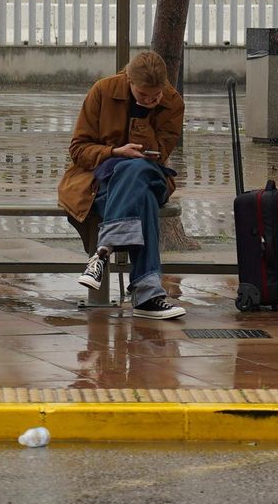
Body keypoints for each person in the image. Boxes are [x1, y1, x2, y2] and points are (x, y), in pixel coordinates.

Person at [58, 51, 187, 319]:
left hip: (152, 176)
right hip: (102, 182)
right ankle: (147, 294)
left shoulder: (173, 103)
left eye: (155, 96)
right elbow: (78, 149)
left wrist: (141, 115)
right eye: (143, 96)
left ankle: (103, 253)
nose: (150, 100)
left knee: (138, 169)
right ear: (128, 79)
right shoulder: (102, 91)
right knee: (143, 200)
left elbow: (158, 154)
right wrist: (116, 153)